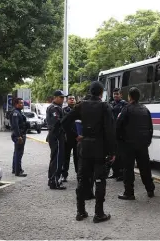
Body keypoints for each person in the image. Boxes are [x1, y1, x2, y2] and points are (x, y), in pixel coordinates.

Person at [61, 81, 115, 223]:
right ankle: (99, 213)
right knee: (100, 180)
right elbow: (110, 131)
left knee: (82, 178)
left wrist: (75, 136)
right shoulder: (105, 106)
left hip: (84, 146)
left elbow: (64, 122)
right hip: (99, 148)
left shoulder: (81, 105)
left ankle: (80, 212)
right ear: (101, 92)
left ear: (90, 91)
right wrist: (112, 151)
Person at [116, 87, 155, 200]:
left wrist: (119, 141)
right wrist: (147, 141)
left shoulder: (126, 109)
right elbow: (150, 128)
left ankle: (129, 192)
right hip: (142, 145)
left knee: (128, 169)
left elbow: (118, 126)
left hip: (128, 145)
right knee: (145, 168)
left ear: (130, 97)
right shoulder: (145, 109)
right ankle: (150, 189)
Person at [46, 90, 67, 190]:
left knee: (55, 158)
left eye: (63, 97)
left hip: (55, 135)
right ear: (55, 97)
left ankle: (52, 180)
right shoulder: (54, 108)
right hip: (57, 135)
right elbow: (57, 122)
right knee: (57, 159)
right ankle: (55, 181)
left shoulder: (57, 107)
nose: (63, 99)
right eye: (61, 97)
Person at [109, 88, 127, 181]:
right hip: (113, 132)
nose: (115, 96)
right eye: (114, 94)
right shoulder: (111, 104)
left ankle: (121, 173)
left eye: (117, 94)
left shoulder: (124, 104)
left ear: (121, 95)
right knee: (114, 153)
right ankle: (115, 172)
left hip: (120, 133)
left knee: (120, 154)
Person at [62, 94, 78, 182]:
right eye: (70, 99)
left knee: (78, 158)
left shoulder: (79, 110)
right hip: (68, 137)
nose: (72, 100)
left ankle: (79, 174)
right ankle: (64, 175)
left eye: (73, 99)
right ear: (67, 101)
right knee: (66, 157)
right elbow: (66, 124)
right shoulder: (64, 110)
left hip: (77, 138)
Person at [10, 98, 28, 177]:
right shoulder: (15, 113)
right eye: (20, 103)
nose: (22, 104)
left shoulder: (18, 112)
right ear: (16, 104)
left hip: (20, 134)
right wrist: (19, 137)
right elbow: (15, 125)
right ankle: (18, 171)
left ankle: (15, 169)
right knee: (19, 153)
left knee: (16, 152)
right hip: (19, 135)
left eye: (23, 103)